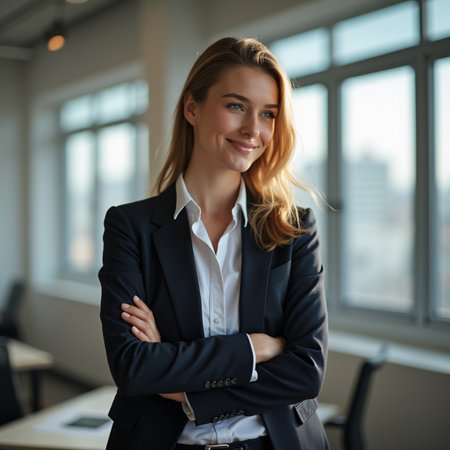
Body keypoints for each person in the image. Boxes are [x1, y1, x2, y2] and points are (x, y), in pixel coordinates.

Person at [99, 37, 329, 450]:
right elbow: (133, 368)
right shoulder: (129, 227)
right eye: (236, 106)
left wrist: (182, 385)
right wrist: (253, 349)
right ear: (192, 108)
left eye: (269, 114)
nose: (253, 130)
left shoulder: (294, 228)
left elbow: (306, 372)